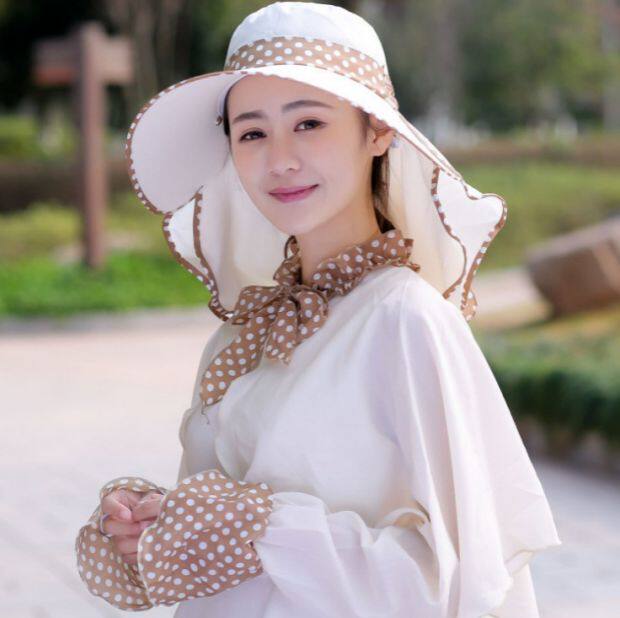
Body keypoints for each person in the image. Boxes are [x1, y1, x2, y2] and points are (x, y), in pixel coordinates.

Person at [74, 3, 561, 616]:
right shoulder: (243, 336)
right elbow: (227, 538)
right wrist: (158, 524)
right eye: (252, 133)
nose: (279, 159)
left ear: (377, 132)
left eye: (308, 123)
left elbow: (459, 582)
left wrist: (263, 531)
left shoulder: (403, 319)